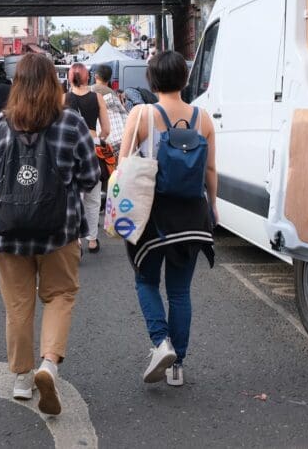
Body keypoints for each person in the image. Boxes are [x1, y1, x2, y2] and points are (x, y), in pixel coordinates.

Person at [0, 53, 99, 416]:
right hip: (59, 228)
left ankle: (21, 378)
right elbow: (91, 176)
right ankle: (49, 365)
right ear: (52, 84)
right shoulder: (71, 124)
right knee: (60, 295)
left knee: (17, 305)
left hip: (8, 230)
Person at [117, 50, 217, 387]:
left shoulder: (142, 114)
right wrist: (212, 207)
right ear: (185, 79)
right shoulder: (203, 118)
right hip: (192, 215)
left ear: (151, 80)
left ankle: (161, 343)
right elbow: (211, 170)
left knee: (146, 281)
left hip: (151, 215)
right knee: (180, 292)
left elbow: (123, 167)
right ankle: (178, 366)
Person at [64, 63, 109, 254]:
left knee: (73, 196)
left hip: (69, 149)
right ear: (87, 77)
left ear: (69, 77)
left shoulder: (63, 98)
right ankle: (92, 239)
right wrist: (99, 138)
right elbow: (106, 130)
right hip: (92, 146)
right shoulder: (97, 97)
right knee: (93, 196)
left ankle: (76, 240)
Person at [92, 64, 128, 201]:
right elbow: (123, 115)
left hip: (96, 140)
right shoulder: (113, 95)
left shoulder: (89, 91)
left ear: (96, 76)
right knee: (112, 172)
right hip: (117, 141)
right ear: (110, 78)